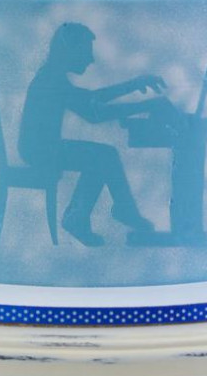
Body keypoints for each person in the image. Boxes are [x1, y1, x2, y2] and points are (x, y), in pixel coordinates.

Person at [18, 23, 164, 246]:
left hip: (41, 147)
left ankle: (83, 215)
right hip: (39, 150)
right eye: (86, 51)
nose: (91, 59)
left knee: (101, 157)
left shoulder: (52, 75)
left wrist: (134, 85)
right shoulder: (51, 79)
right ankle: (109, 211)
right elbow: (94, 113)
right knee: (104, 156)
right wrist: (146, 105)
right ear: (69, 50)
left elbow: (90, 100)